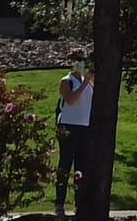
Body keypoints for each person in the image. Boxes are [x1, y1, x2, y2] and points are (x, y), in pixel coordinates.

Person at [54, 48, 94, 217]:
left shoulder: (89, 82)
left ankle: (80, 204)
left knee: (82, 167)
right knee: (65, 165)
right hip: (69, 127)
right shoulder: (66, 81)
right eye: (76, 59)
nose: (80, 63)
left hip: (84, 127)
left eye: (82, 59)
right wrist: (85, 84)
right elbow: (70, 100)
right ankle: (59, 203)